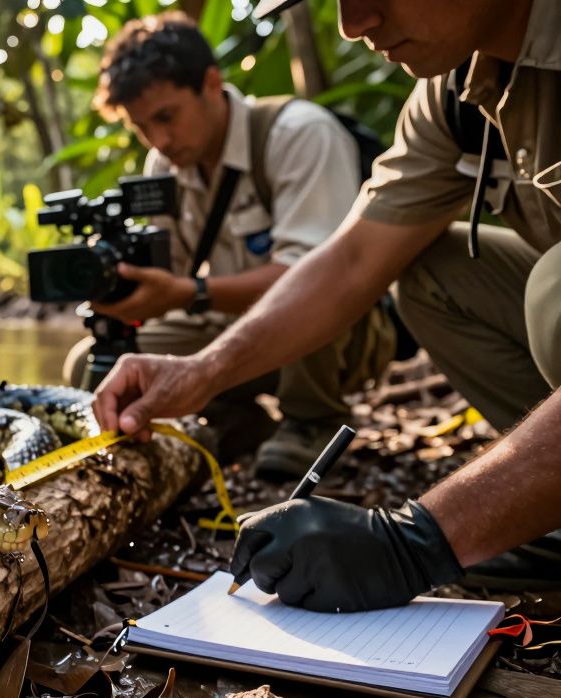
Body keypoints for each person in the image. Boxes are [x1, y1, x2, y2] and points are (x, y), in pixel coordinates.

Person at [93, 0, 561, 611]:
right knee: (428, 267)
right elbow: (351, 261)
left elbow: (300, 261)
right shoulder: (454, 92)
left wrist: (420, 539)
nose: (352, 23)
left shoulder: (293, 132)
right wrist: (199, 371)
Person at [71, 12, 394, 479]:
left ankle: (313, 420)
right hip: (234, 333)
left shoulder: (298, 133)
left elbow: (323, 276)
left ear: (210, 83)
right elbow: (171, 278)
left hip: (338, 331)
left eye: (167, 116)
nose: (159, 139)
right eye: (143, 127)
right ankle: (235, 418)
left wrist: (189, 293)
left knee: (308, 289)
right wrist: (124, 292)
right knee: (93, 367)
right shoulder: (163, 166)